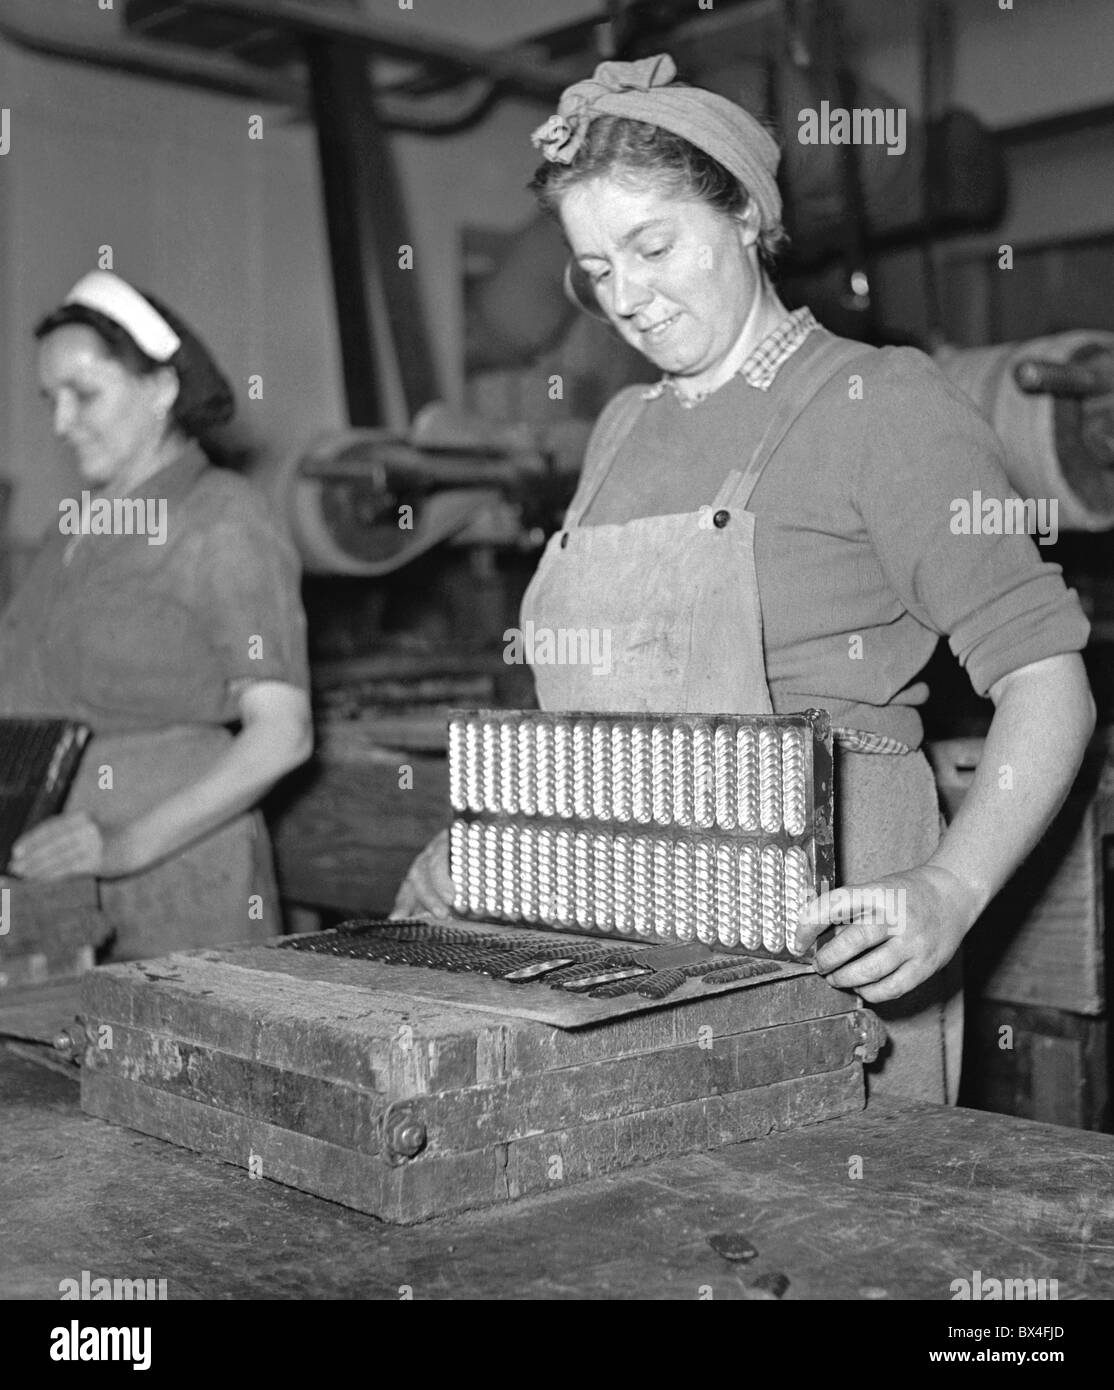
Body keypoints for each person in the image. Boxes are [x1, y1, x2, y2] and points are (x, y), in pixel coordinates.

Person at [393, 54, 1094, 1103]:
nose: (626, 297)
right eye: (596, 268)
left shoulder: (880, 403)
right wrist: (503, 844)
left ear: (744, 218)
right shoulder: (623, 428)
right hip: (618, 922)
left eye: (652, 245)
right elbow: (600, 708)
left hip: (824, 927)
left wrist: (951, 887)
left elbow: (1046, 677)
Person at [0, 270, 312, 960]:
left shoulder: (223, 517)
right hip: (60, 880)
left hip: (180, 882)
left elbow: (282, 734)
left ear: (161, 388)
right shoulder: (77, 527)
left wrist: (123, 846)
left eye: (84, 394)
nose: (60, 423)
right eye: (51, 399)